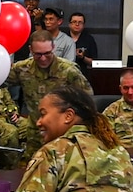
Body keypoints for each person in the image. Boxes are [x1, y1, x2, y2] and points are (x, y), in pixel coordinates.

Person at [13, 31, 87, 160]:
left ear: (53, 47)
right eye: (38, 54)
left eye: (47, 53)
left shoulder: (69, 70)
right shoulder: (22, 69)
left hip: (62, 135)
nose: (43, 58)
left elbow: (87, 102)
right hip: (35, 134)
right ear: (31, 50)